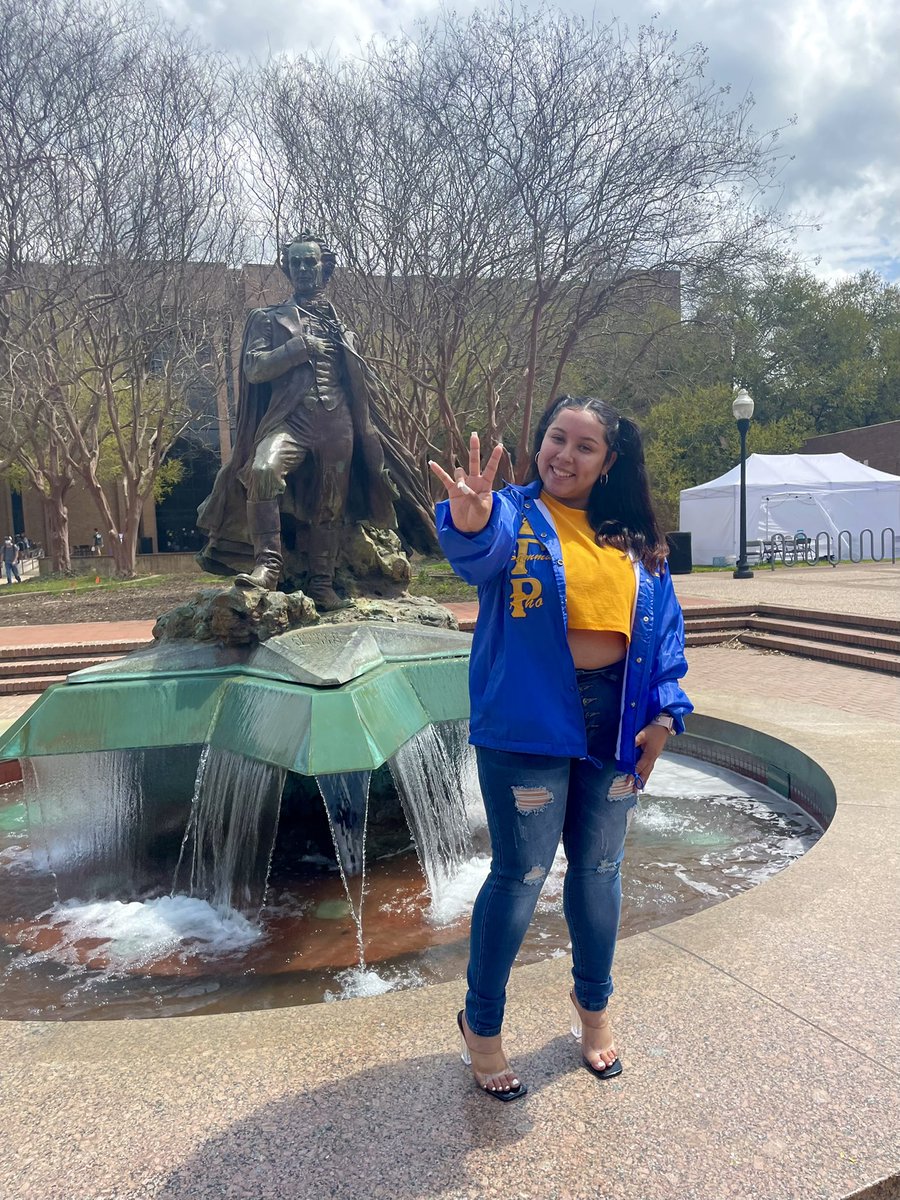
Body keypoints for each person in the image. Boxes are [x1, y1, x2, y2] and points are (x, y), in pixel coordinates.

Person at [430, 395, 692, 1100]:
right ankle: (481, 1026)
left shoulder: (636, 542)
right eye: (556, 438)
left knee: (599, 870)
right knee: (519, 876)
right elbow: (472, 550)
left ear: (609, 462)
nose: (564, 456)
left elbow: (666, 639)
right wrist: (471, 513)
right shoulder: (510, 514)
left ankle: (594, 1010)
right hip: (527, 723)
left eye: (584, 446)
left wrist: (666, 717)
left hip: (617, 720)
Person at [196, 233, 436, 607]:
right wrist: (298, 348)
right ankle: (268, 567)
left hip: (337, 424)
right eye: (296, 263)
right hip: (290, 420)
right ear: (287, 268)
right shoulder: (267, 319)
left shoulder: (342, 327)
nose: (304, 269)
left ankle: (322, 584)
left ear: (325, 267)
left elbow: (357, 386)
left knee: (330, 504)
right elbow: (254, 368)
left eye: (311, 262)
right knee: (262, 469)